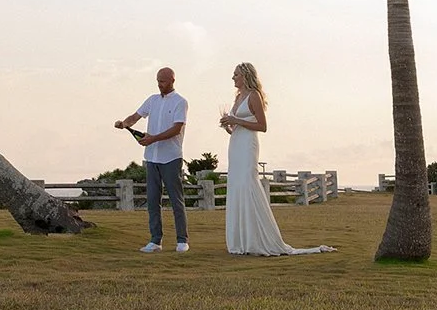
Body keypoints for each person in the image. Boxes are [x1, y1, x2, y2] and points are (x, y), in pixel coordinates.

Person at [218, 62, 335, 255]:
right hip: (236, 144)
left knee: (248, 183)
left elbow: (262, 126)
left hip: (248, 145)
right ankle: (241, 239)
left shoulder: (253, 96)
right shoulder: (238, 98)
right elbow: (238, 127)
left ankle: (257, 238)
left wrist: (236, 120)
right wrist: (228, 126)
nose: (233, 78)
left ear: (245, 76)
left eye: (236, 74)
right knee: (237, 185)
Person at [115, 66, 189, 252]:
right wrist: (124, 124)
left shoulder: (180, 102)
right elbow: (135, 116)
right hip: (152, 158)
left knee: (176, 199)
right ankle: (155, 240)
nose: (159, 85)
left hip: (171, 158)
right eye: (157, 81)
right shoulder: (152, 100)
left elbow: (176, 129)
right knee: (153, 200)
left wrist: (153, 138)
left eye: (162, 81)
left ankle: (182, 240)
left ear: (172, 80)